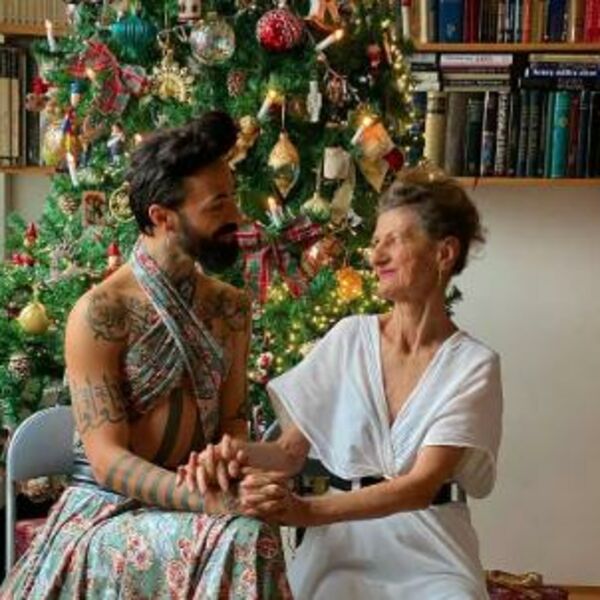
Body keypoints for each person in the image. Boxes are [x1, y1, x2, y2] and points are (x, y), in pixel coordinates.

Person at [1, 112, 291, 599]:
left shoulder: (231, 308)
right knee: (245, 536)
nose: (237, 216)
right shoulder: (100, 312)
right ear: (162, 217)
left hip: (195, 504)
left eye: (233, 197)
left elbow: (233, 423)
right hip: (105, 512)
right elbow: (107, 460)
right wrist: (205, 501)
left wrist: (228, 473)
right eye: (218, 204)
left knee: (251, 527)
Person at [181, 166, 504, 599]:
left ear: (444, 253)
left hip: (432, 548)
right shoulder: (350, 338)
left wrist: (306, 511)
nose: (376, 256)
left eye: (395, 240)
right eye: (376, 242)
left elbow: (420, 486)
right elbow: (288, 453)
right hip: (340, 547)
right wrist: (232, 453)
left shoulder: (473, 365)